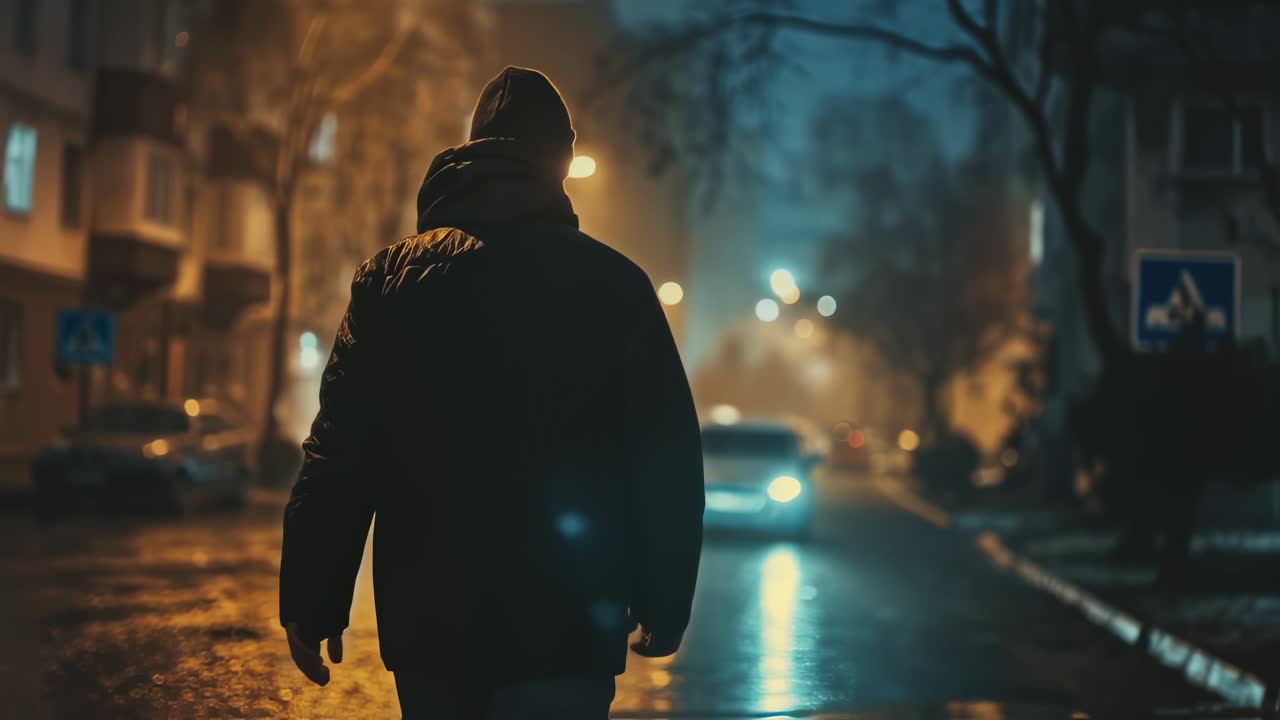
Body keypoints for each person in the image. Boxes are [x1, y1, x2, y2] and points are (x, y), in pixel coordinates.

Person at [278, 66, 704, 719]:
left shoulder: (391, 283)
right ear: (561, 161)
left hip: (431, 625)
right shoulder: (614, 288)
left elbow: (340, 450)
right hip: (566, 623)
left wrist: (313, 599)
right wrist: (663, 602)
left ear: (472, 149)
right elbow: (665, 460)